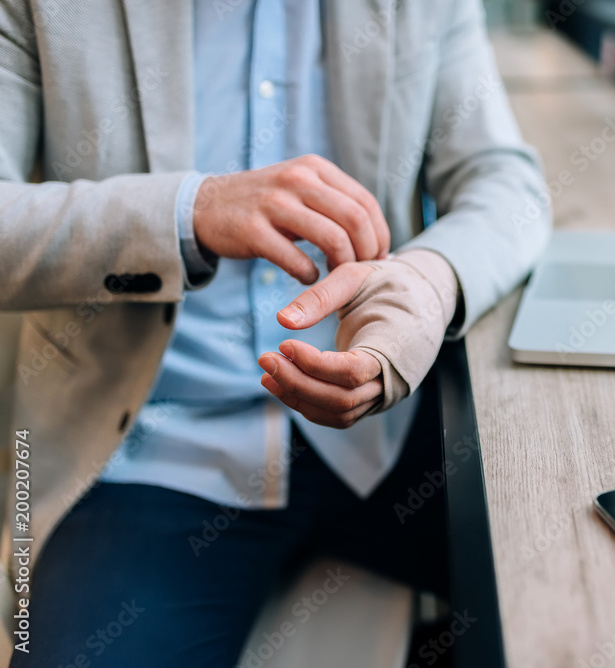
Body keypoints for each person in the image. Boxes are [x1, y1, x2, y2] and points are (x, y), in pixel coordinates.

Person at [0, 1, 551, 665]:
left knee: (582, 596)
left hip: (394, 435)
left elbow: (504, 181)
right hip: (154, 450)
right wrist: (189, 210)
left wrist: (427, 285)